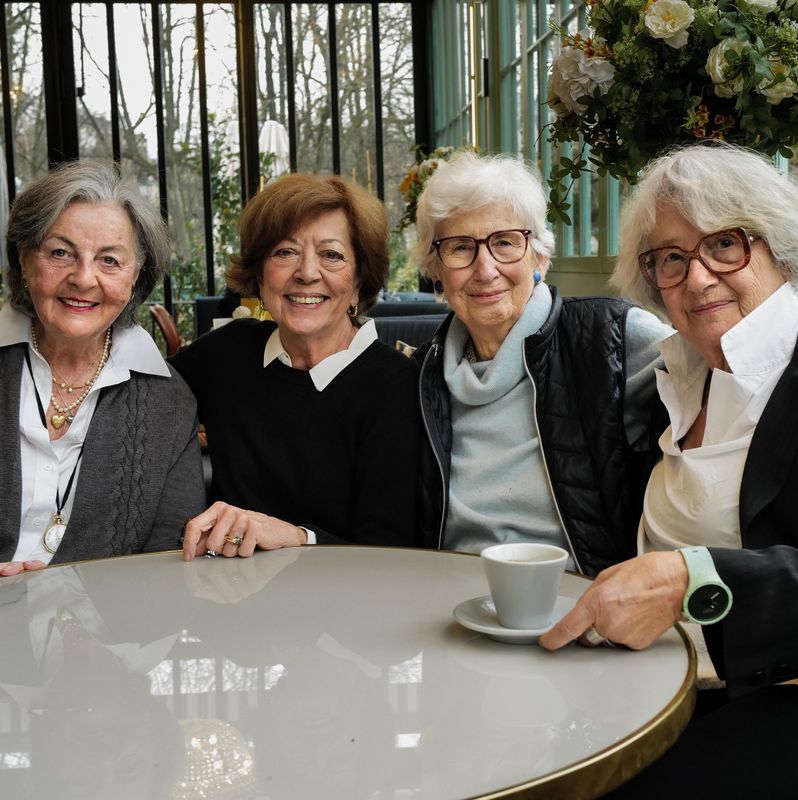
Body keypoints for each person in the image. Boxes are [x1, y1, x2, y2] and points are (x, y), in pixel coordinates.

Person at [539, 143, 798, 797]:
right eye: (672, 260)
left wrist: (694, 582)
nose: (698, 277)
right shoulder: (679, 373)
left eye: (726, 245)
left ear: (778, 247)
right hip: (656, 679)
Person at [413, 151, 671, 570]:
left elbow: (721, 384)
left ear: (539, 257)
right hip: (449, 602)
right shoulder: (424, 373)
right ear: (436, 270)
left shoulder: (609, 336)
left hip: (577, 601)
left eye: (505, 243)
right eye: (460, 247)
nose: (485, 269)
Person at [171, 173, 420, 558]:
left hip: (345, 607)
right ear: (259, 274)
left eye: (331, 255)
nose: (306, 272)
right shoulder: (225, 354)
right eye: (285, 252)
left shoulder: (398, 388)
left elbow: (391, 551)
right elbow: (134, 395)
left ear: (359, 280)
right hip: (225, 597)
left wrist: (299, 538)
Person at [0, 160, 206, 576]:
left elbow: (169, 554)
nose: (84, 278)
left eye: (110, 260)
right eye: (60, 252)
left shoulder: (168, 400)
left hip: (105, 632)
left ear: (136, 274)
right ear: (25, 259)